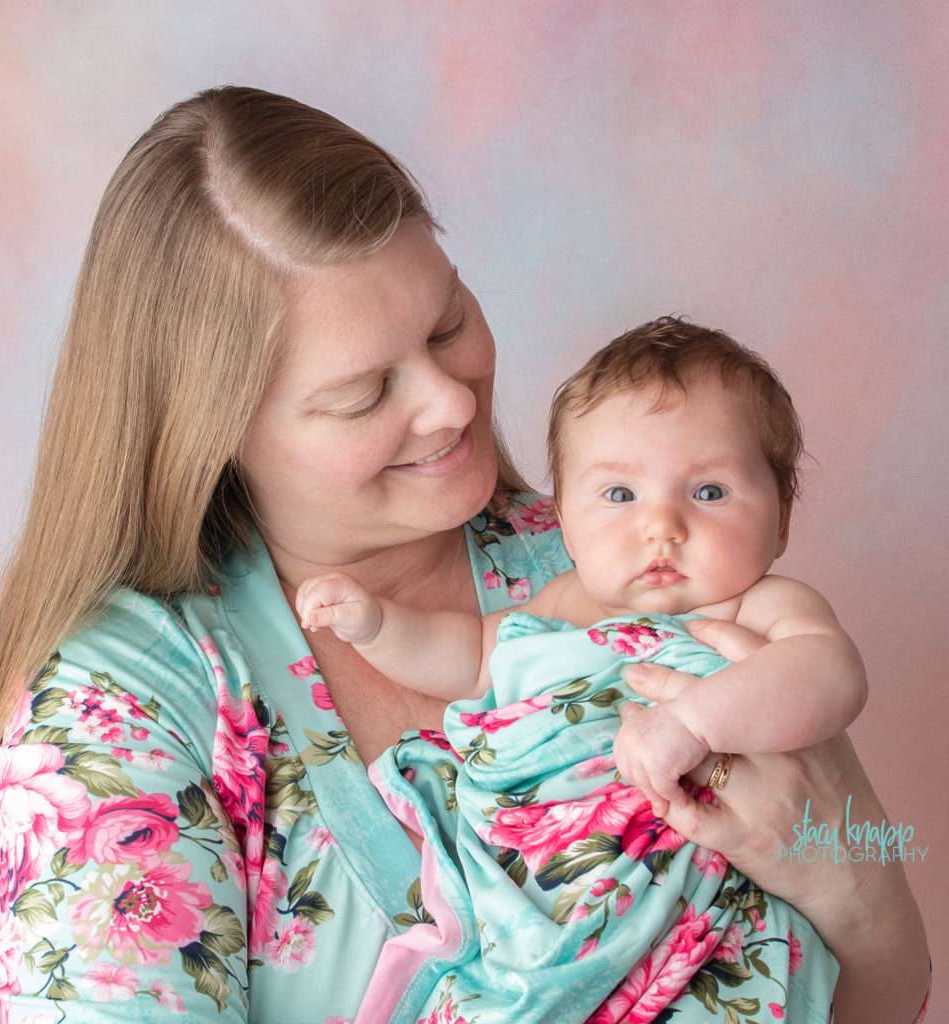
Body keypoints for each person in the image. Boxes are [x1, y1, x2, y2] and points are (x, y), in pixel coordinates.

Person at [0, 87, 930, 1024]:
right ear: (212, 431)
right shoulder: (123, 702)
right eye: (365, 392)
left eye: (448, 324)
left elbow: (873, 989)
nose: (451, 401)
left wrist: (848, 881)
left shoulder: (614, 557)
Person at [290, 318, 862, 1020]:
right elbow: (470, 655)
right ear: (563, 519)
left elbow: (830, 673)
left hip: (695, 896)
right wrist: (378, 625)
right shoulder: (565, 603)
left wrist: (693, 722)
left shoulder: (757, 605)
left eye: (709, 492)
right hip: (553, 891)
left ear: (782, 518)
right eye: (620, 495)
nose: (662, 526)